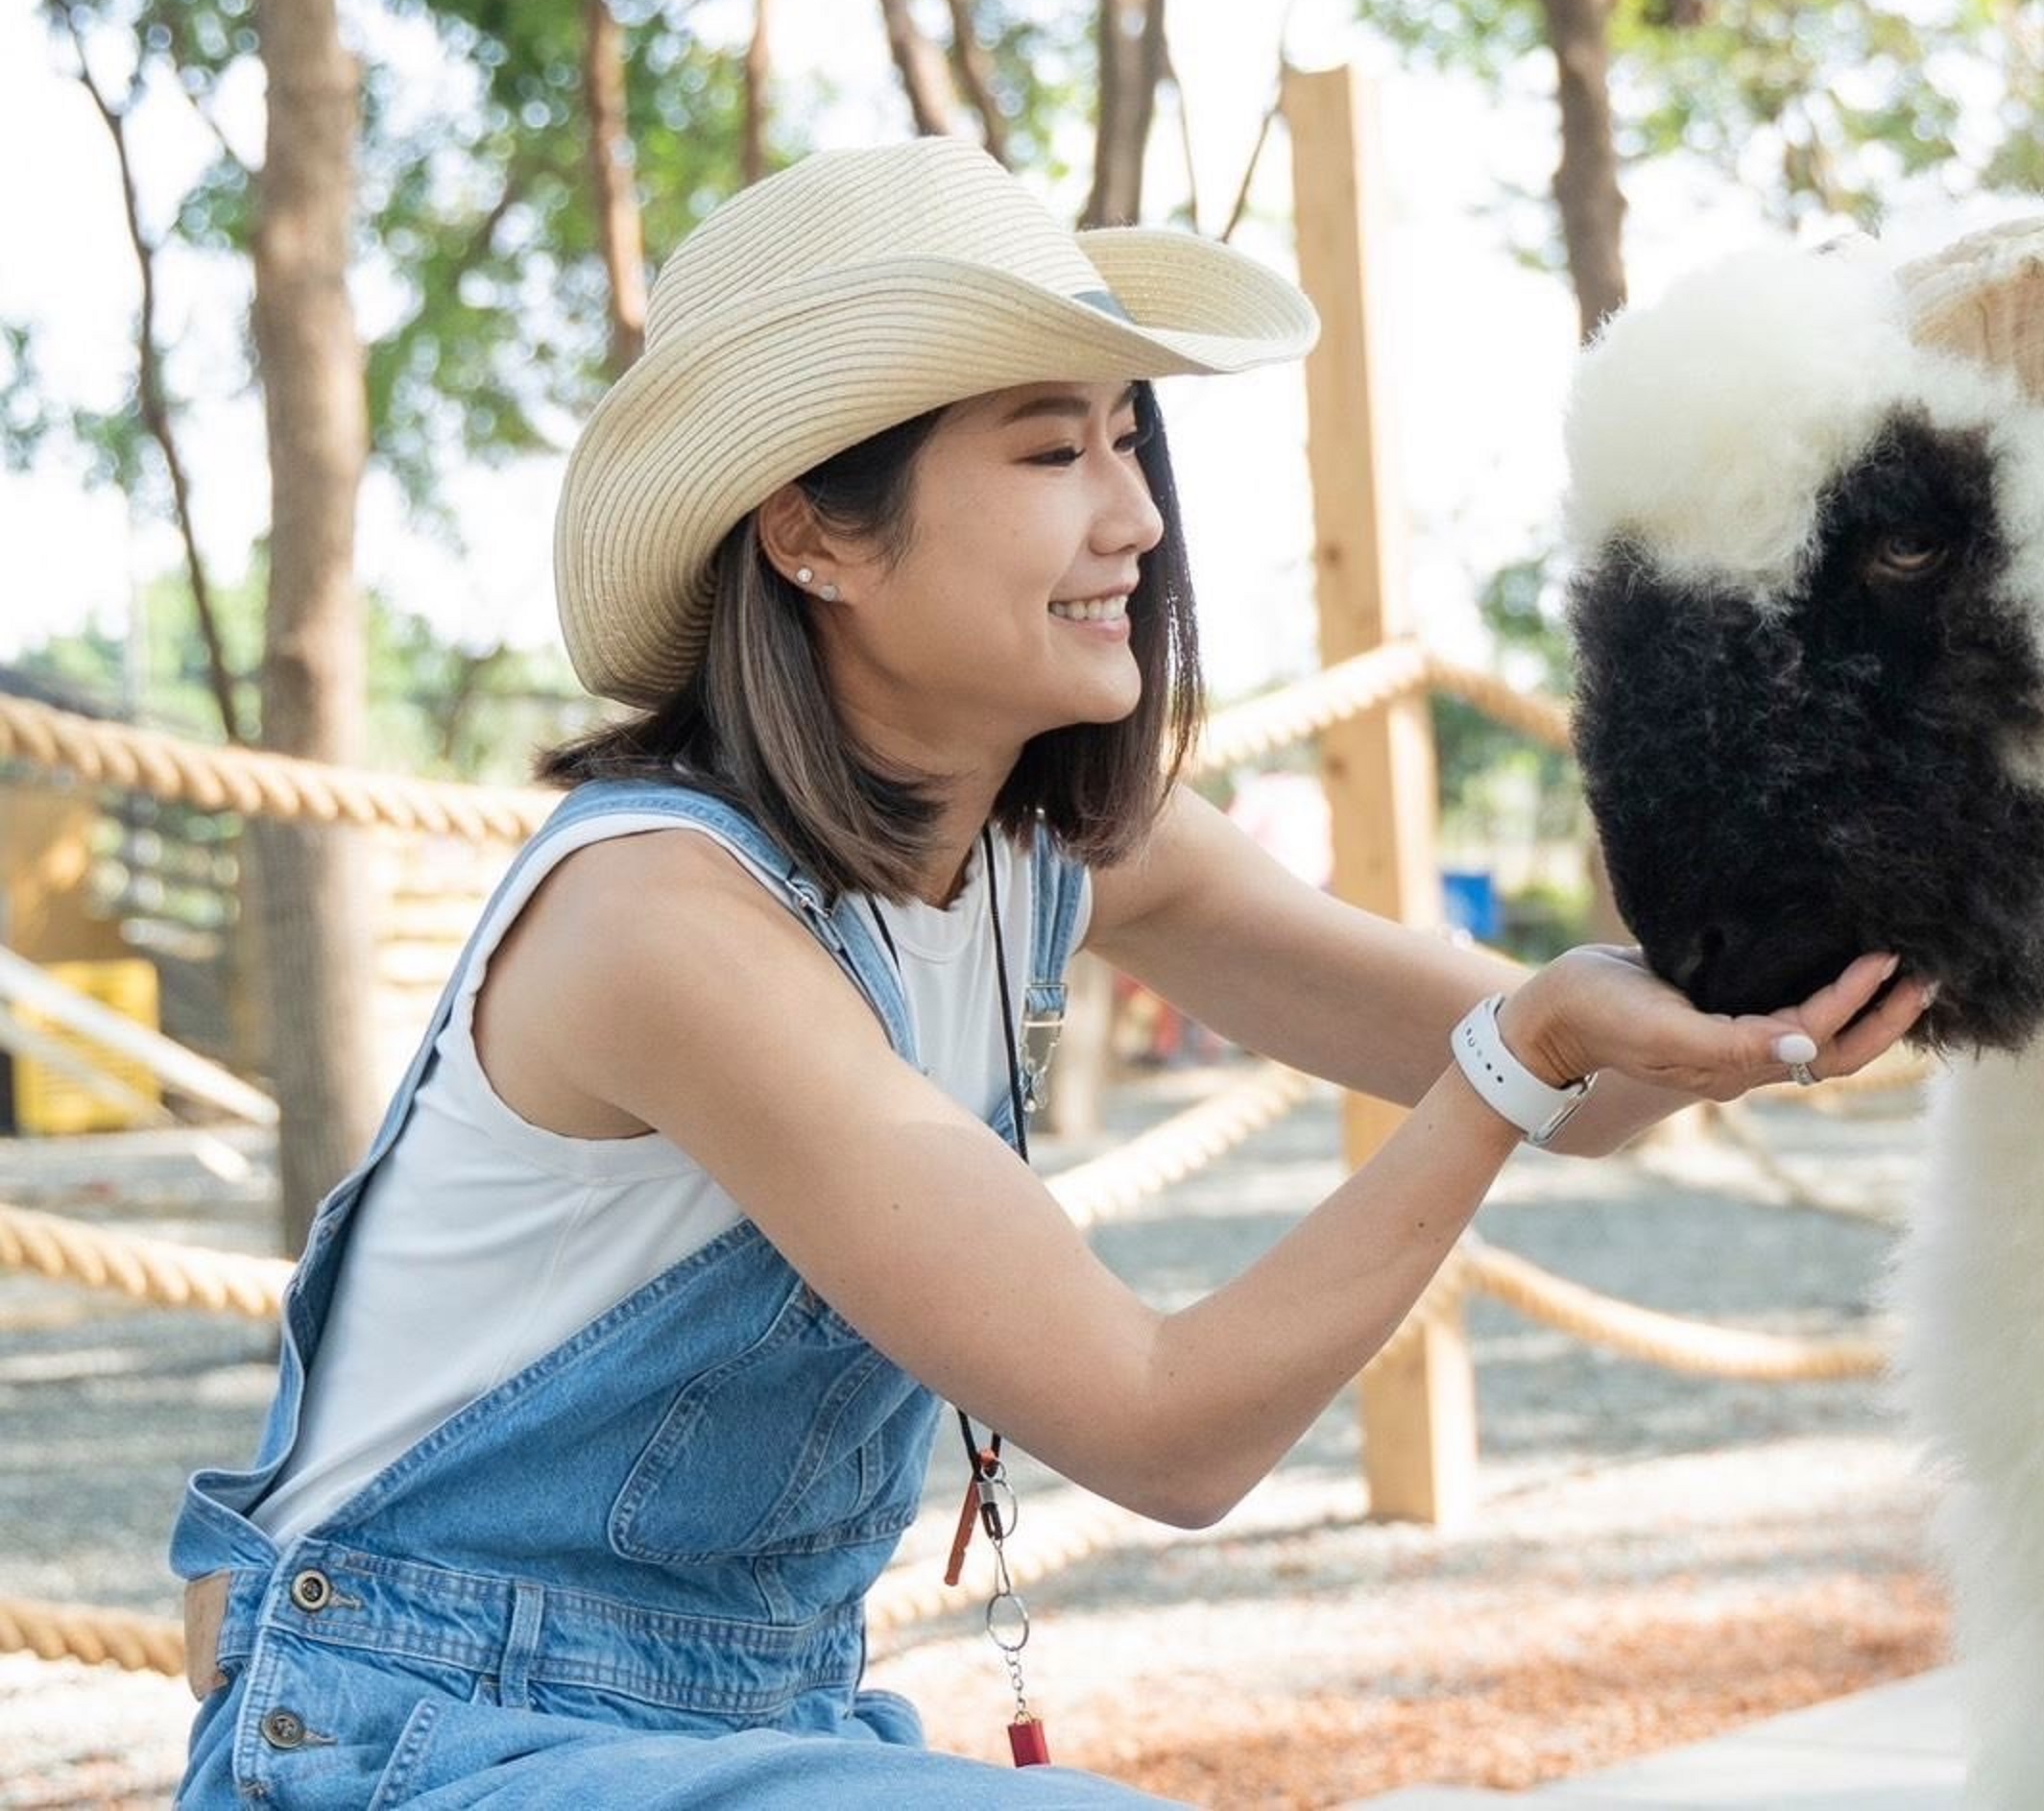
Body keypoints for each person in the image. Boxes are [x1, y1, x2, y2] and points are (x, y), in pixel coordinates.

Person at [169, 137, 1930, 1808]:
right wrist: (1523, 1052)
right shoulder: (666, 923)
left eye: (1125, 440)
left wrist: (1796, 974)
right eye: (1045, 453)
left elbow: (1592, 1093)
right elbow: (1168, 1434)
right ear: (815, 536)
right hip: (420, 1737)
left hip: (754, 1723)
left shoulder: (1046, 848)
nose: (1137, 519)